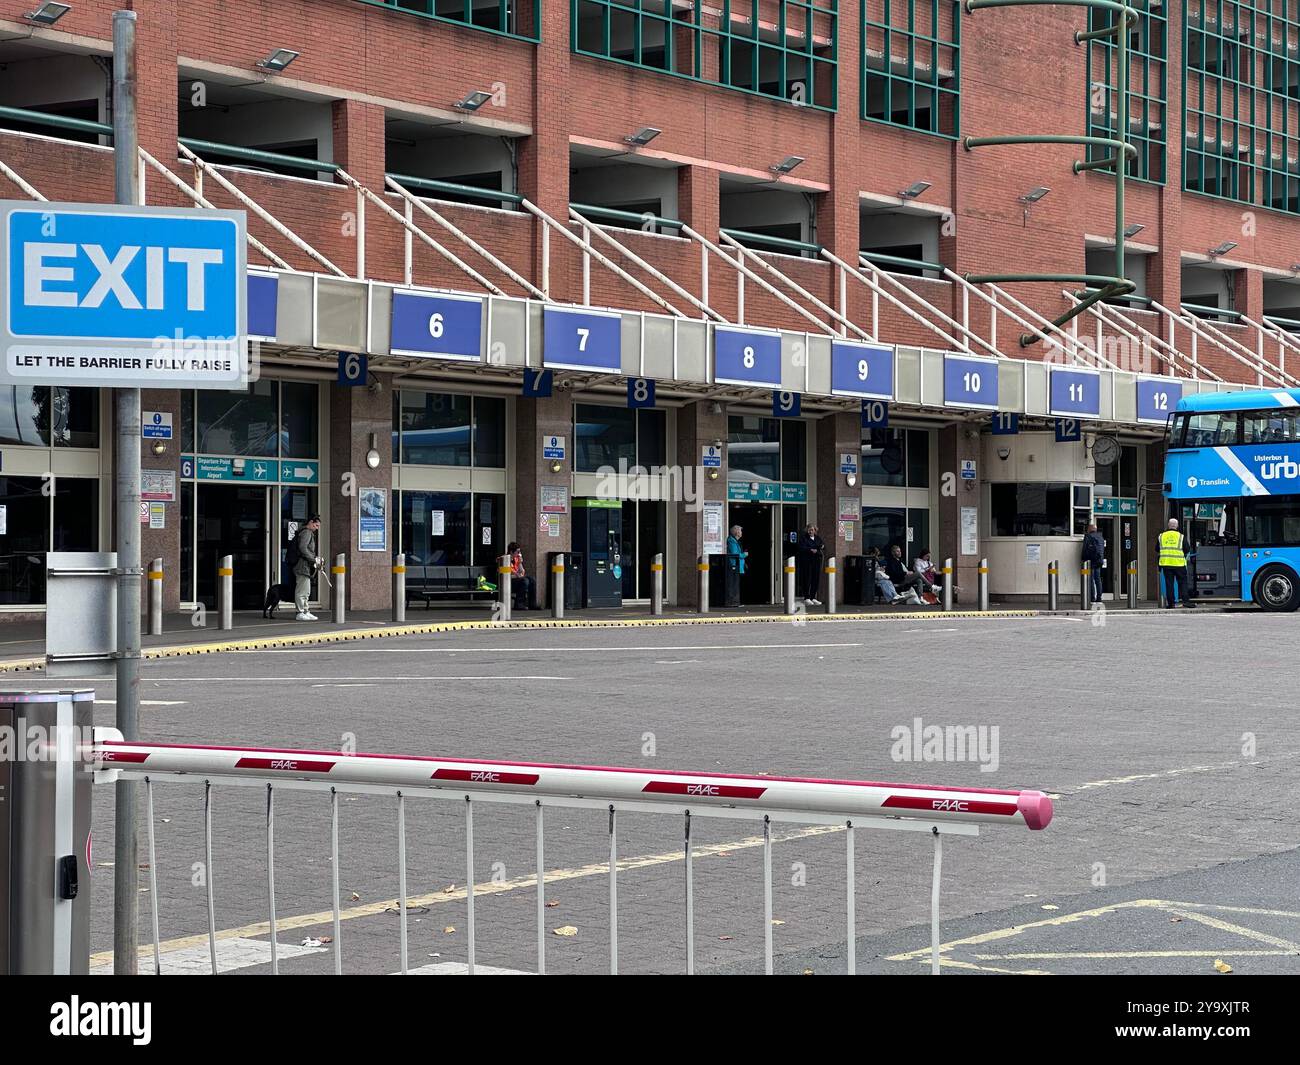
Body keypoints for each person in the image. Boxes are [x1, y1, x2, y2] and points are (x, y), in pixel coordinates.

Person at [1158, 517, 1195, 608]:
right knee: (1183, 583)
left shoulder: (1161, 536)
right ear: (1177, 526)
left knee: (1169, 584)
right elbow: (1187, 549)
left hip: (1166, 564)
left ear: (1168, 525)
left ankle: (1171, 604)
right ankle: (1185, 601)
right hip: (1179, 564)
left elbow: (1157, 549)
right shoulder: (1181, 536)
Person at [293, 515, 321, 622]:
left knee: (306, 590)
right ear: (310, 522)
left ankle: (305, 610)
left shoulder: (306, 532)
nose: (317, 528)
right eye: (316, 525)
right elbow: (303, 548)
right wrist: (313, 559)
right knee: (302, 590)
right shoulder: (306, 532)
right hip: (302, 565)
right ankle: (300, 612)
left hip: (304, 565)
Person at [796, 523, 826, 605]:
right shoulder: (803, 538)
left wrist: (816, 548)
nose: (810, 531)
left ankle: (813, 597)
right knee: (807, 578)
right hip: (806, 561)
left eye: (812, 530)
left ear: (815, 531)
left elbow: (822, 546)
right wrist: (811, 549)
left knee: (815, 578)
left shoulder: (817, 538)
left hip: (816, 561)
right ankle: (807, 597)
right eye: (809, 530)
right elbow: (801, 547)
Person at [507, 541, 536, 610]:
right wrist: (517, 576)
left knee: (532, 579)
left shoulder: (516, 559)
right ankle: (519, 604)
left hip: (516, 580)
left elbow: (522, 572)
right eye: (517, 552)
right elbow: (504, 576)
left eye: (519, 552)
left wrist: (520, 563)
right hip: (507, 582)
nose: (519, 554)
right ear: (511, 552)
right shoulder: (505, 560)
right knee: (524, 581)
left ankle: (532, 604)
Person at [1082, 523, 1106, 602]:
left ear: (1089, 529)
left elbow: (1085, 549)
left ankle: (1092, 597)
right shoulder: (1101, 537)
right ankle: (1099, 597)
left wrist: (1083, 559)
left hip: (1091, 560)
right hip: (1099, 560)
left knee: (1091, 579)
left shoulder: (1088, 536)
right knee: (1098, 579)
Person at [725, 525, 747, 606]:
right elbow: (735, 554)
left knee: (735, 584)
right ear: (737, 532)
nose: (741, 533)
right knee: (733, 584)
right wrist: (744, 554)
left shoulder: (734, 541)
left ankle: (735, 602)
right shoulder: (731, 541)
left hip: (737, 565)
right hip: (733, 565)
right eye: (740, 531)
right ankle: (732, 602)